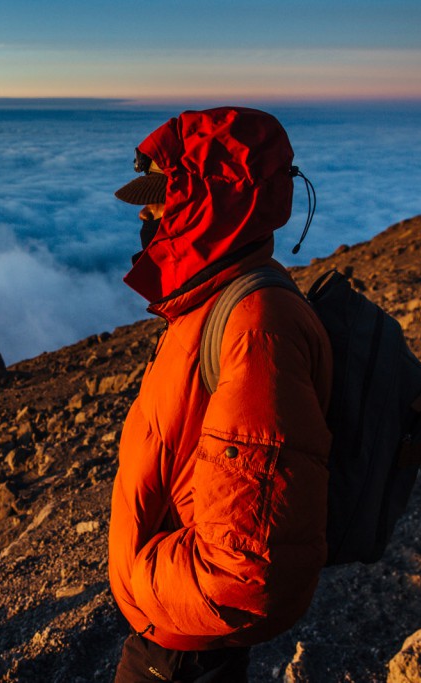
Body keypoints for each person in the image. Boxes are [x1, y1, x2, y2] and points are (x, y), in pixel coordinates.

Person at [108, 107, 333, 682]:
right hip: (175, 635)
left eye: (159, 196)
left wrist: (141, 578)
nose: (144, 212)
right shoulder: (211, 304)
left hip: (181, 650)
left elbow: (248, 573)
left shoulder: (256, 325)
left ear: (207, 205)